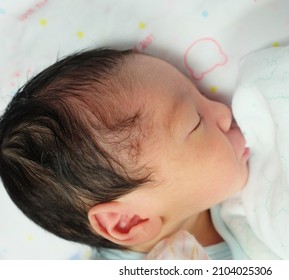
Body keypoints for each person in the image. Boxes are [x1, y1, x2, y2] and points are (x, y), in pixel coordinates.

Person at [0, 48, 250, 259]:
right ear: (127, 221)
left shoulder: (221, 203)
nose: (224, 112)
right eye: (195, 122)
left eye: (202, 94)